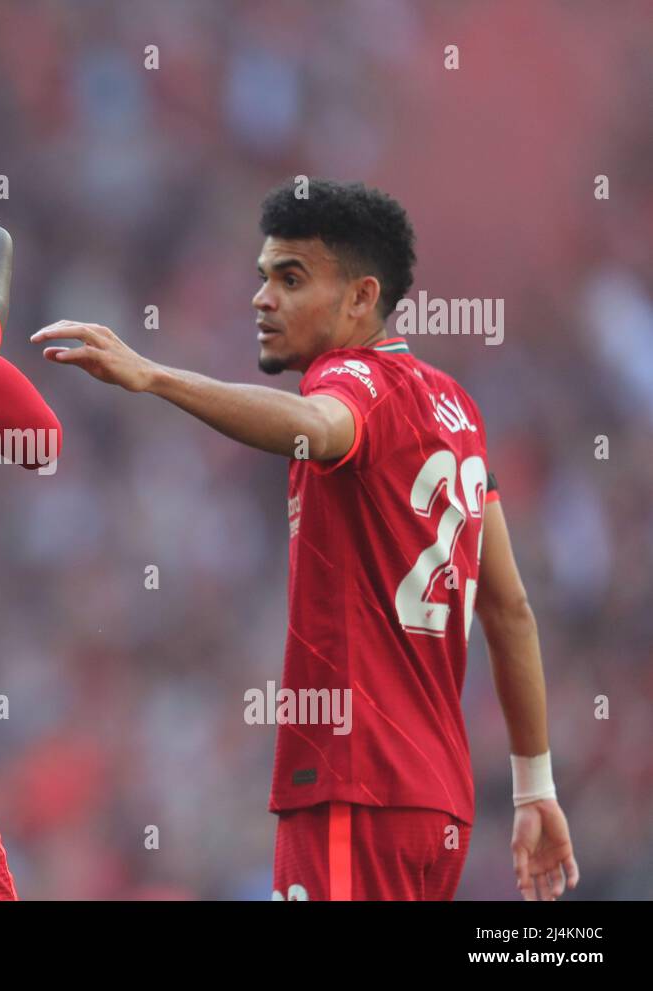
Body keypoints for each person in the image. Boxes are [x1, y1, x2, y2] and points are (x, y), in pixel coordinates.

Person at [30, 178, 578, 901]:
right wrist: (535, 785)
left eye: (291, 279)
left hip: (356, 784)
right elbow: (509, 609)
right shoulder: (459, 411)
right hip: (436, 802)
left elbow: (317, 429)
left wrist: (154, 376)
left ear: (360, 298)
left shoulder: (350, 379)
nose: (262, 298)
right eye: (263, 277)